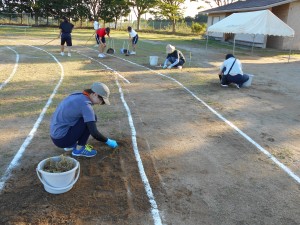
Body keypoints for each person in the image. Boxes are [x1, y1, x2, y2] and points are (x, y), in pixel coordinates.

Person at [50, 82, 118, 158]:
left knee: (87, 118)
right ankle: (79, 149)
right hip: (62, 140)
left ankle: (70, 145)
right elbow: (94, 133)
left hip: (56, 135)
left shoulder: (77, 95)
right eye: (102, 100)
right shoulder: (86, 105)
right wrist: (108, 141)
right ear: (95, 94)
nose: (101, 103)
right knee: (91, 119)